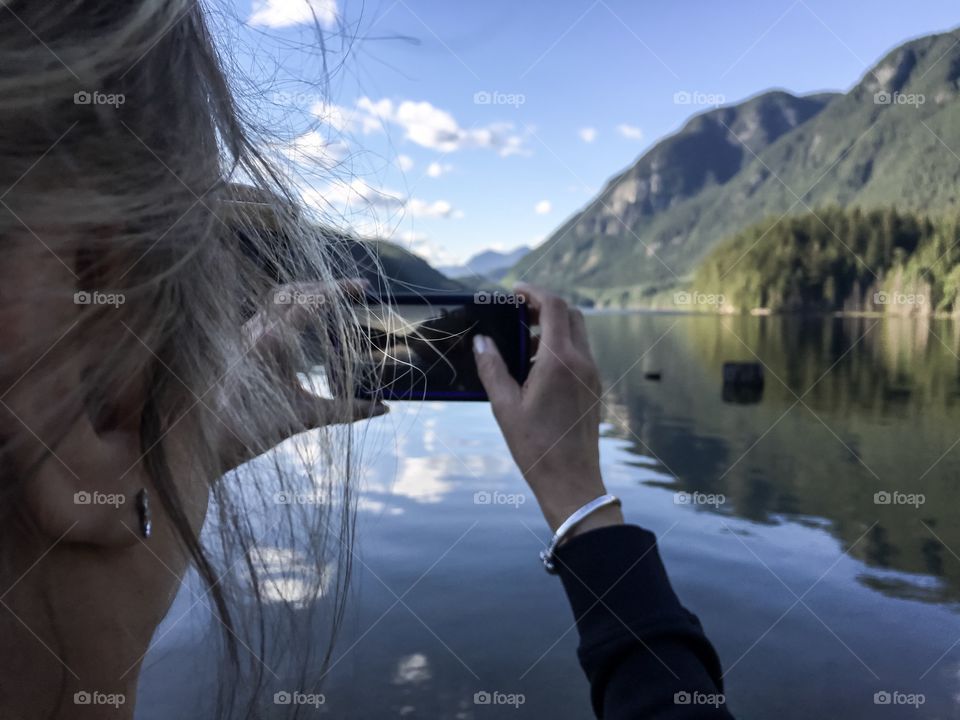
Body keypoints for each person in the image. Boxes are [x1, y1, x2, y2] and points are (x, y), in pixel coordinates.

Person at [0, 1, 731, 718]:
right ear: (82, 279)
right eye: (205, 271)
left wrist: (161, 449)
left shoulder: (101, 453)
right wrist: (582, 501)